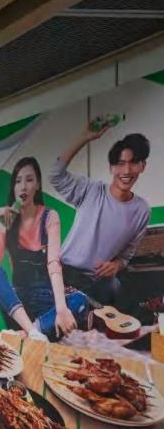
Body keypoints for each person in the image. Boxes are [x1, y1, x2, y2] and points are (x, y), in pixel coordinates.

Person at [49, 120, 151, 305]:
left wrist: (116, 265)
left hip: (96, 281)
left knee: (127, 302)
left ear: (142, 166)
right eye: (120, 163)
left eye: (134, 163)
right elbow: (55, 175)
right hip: (66, 271)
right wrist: (84, 137)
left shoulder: (142, 210)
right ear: (111, 168)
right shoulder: (91, 190)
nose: (127, 170)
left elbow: (127, 255)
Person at [0, 157, 89, 341]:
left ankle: (29, 332)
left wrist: (61, 309)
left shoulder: (50, 217)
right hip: (19, 303)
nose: (23, 187)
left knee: (80, 301)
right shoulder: (9, 221)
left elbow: (54, 264)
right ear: (14, 187)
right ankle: (34, 331)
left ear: (38, 184)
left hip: (46, 298)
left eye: (29, 180)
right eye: (18, 181)